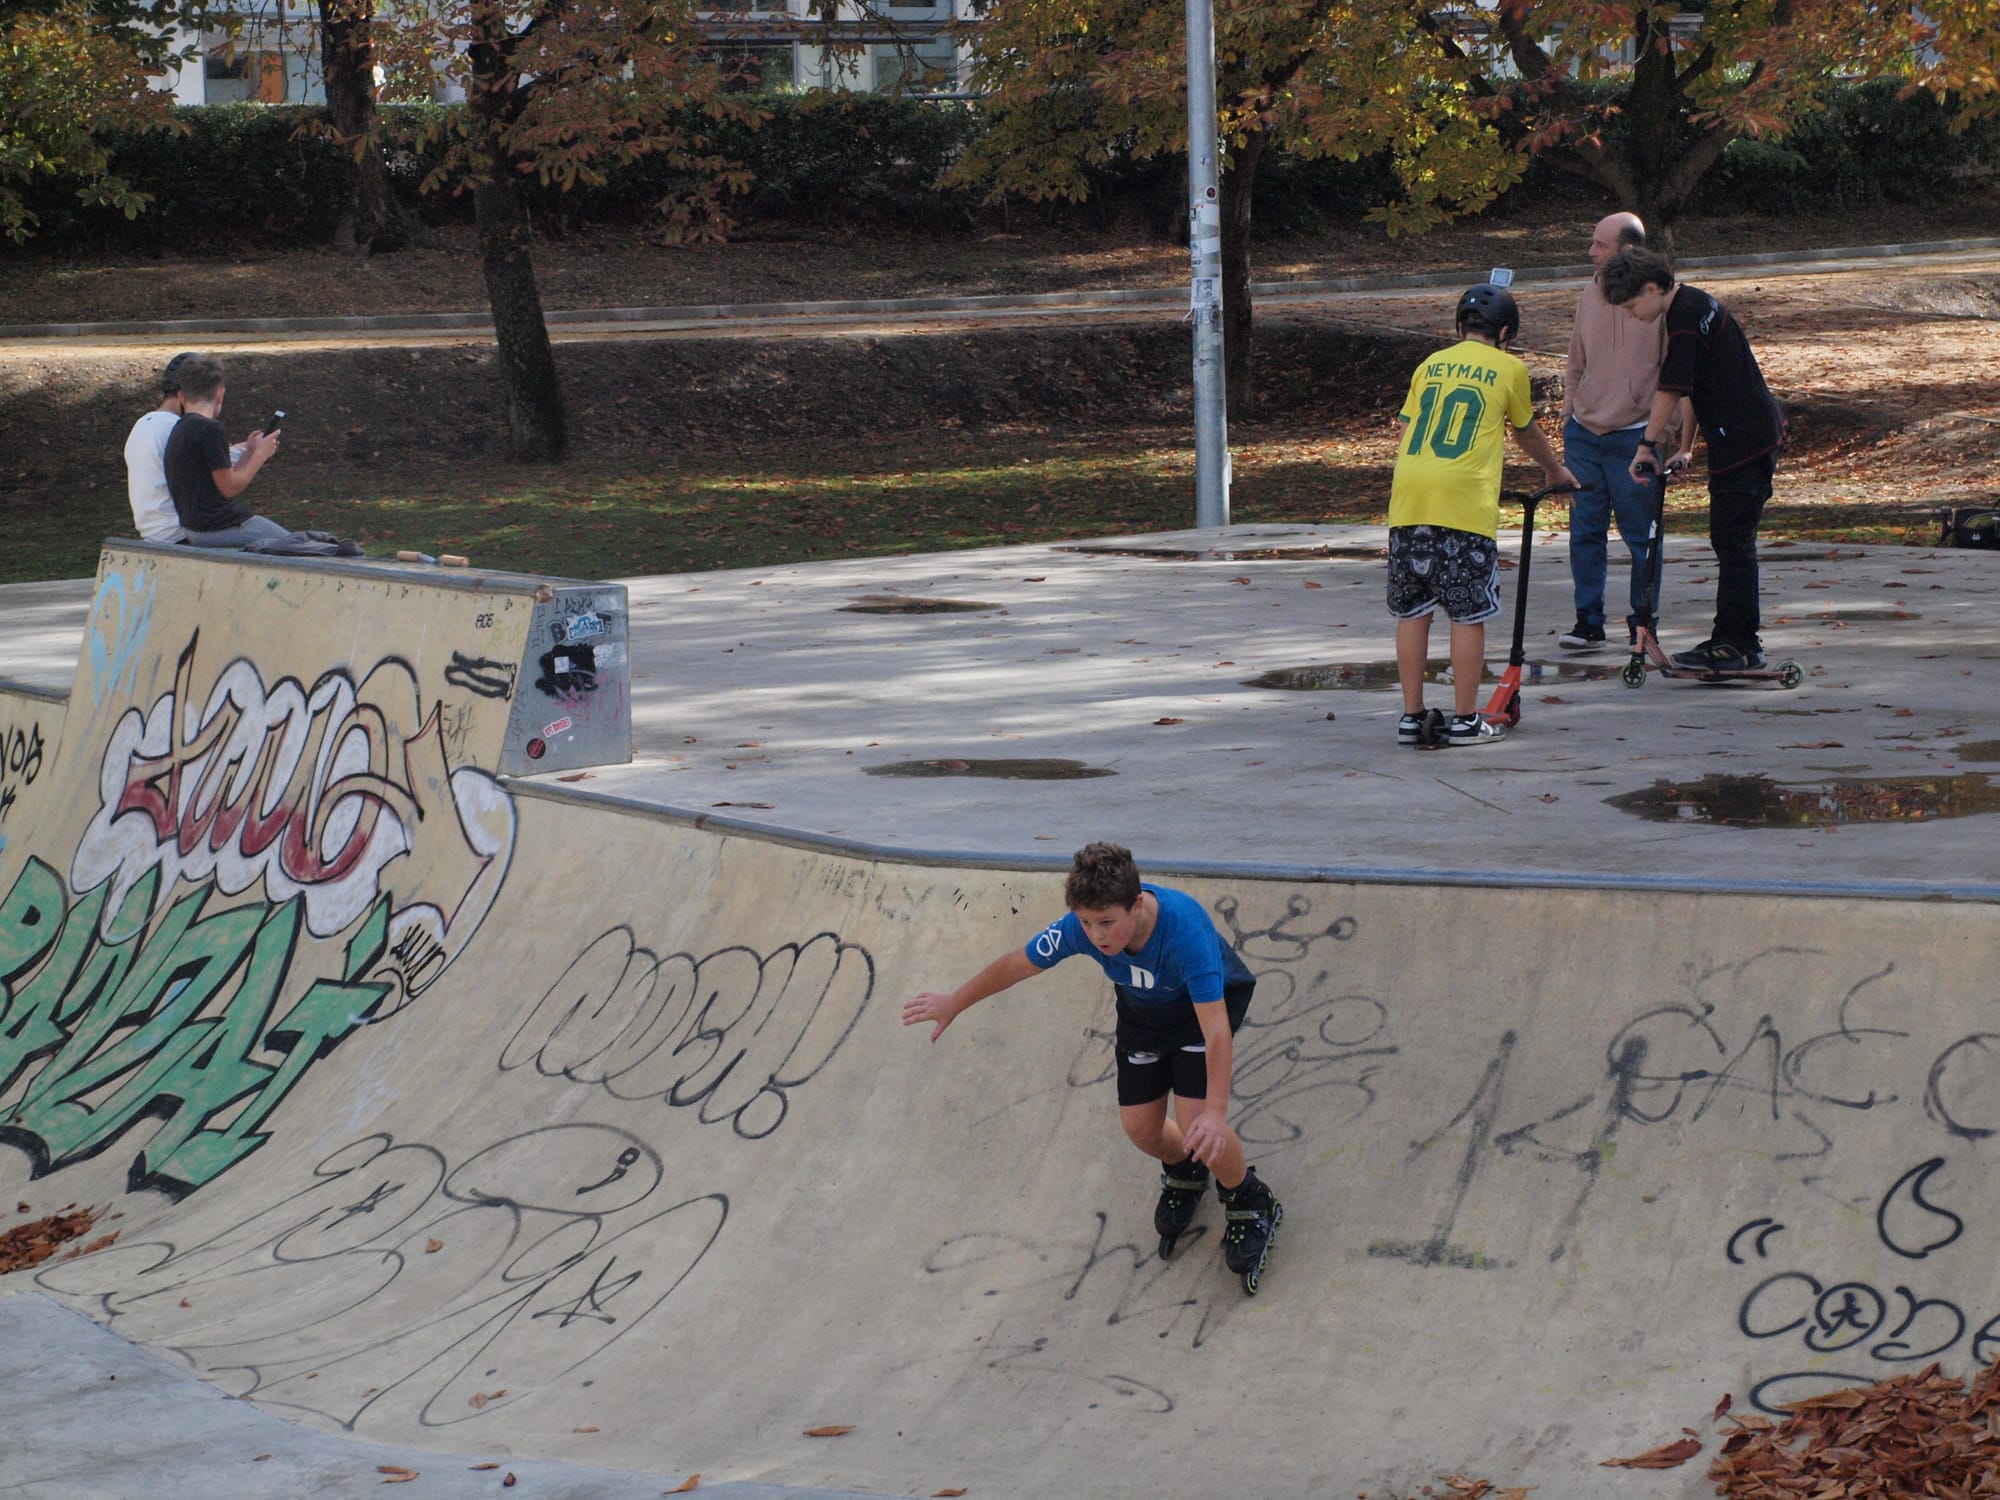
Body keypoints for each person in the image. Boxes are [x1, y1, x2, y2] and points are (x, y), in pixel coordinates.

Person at [902, 842, 1280, 1279]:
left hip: (1196, 1018)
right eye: (1086, 923)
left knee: (1198, 1126)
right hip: (1143, 1017)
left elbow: (1216, 1030)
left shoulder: (1185, 932)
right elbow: (1016, 964)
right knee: (1141, 1129)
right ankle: (1185, 1167)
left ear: (1136, 906)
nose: (1097, 935)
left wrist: (1215, 1113)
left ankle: (1250, 1198)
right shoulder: (1079, 929)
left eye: (1106, 923)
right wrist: (955, 1001)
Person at [1388, 282, 1576, 747]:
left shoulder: (1430, 365)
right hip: (1463, 503)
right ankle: (1466, 720)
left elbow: (1408, 429)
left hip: (1409, 498)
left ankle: (1411, 717)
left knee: (1413, 611)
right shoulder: (1508, 368)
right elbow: (1525, 431)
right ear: (1505, 332)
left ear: (1460, 327)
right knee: (1466, 613)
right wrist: (1554, 469)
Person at [1600, 247, 1786, 671]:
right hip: (1746, 437)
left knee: (1733, 540)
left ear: (1652, 288)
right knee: (1731, 539)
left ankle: (1737, 644)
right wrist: (1685, 447)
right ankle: (1735, 640)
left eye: (1630, 306)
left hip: (1746, 441)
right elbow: (1691, 387)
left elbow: (1669, 389)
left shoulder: (1684, 318)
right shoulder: (1693, 304)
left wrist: (1646, 445)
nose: (1632, 315)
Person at [1557, 213, 1693, 652]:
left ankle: (1642, 625)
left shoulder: (1657, 301)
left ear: (1628, 250)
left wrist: (1664, 432)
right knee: (1585, 531)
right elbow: (1575, 360)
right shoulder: (1589, 292)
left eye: (1600, 244)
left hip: (1635, 436)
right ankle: (1587, 621)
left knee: (1641, 536)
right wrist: (1568, 413)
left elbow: (1676, 373)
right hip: (1584, 432)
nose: (1591, 252)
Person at [161, 354, 293, 548]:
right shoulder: (211, 429)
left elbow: (222, 480)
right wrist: (260, 455)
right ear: (220, 394)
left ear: (181, 396)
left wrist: (249, 453)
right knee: (297, 545)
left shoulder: (180, 428)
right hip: (217, 527)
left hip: (195, 528)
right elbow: (229, 488)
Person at [122, 352, 208, 543]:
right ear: (185, 395)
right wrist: (254, 456)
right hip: (180, 535)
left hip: (152, 534)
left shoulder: (143, 424)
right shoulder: (178, 428)